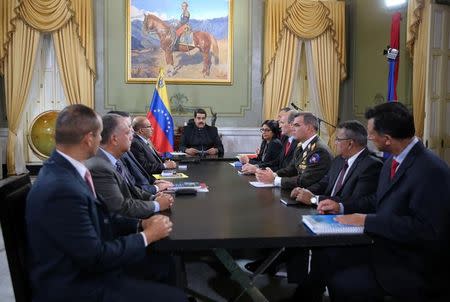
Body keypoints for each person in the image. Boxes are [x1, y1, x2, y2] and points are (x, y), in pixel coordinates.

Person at [26, 104, 187, 302]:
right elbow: (95, 257)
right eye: (100, 135)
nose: (102, 140)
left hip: (85, 266)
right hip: (75, 285)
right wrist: (147, 236)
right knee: (175, 296)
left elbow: (101, 215)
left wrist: (139, 224)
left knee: (167, 262)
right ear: (88, 139)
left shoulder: (65, 169)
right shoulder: (61, 189)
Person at [315, 102, 450, 302]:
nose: (368, 138)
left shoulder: (432, 170)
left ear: (386, 139)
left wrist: (367, 221)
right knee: (326, 253)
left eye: (371, 134)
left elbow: (427, 231)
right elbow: (379, 201)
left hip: (410, 264)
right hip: (385, 245)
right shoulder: (391, 161)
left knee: (340, 278)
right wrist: (342, 207)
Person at [283, 120, 383, 300]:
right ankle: (309, 291)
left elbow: (359, 201)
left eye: (337, 139)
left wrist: (314, 199)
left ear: (350, 143)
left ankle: (310, 292)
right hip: (327, 217)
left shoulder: (371, 165)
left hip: (350, 224)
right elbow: (325, 183)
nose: (334, 143)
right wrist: (307, 191)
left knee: (322, 251)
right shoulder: (339, 160)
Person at [86, 114, 174, 219]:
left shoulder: (116, 158)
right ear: (114, 139)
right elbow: (120, 208)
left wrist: (153, 197)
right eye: (128, 133)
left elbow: (132, 189)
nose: (132, 136)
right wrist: (157, 205)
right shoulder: (99, 166)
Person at [255, 112, 332, 190]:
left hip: (311, 196)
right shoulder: (300, 145)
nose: (292, 128)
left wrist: (275, 180)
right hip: (299, 191)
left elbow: (305, 180)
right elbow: (291, 169)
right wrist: (273, 174)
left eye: (296, 125)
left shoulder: (319, 150)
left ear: (309, 128)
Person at [108, 111, 173, 194]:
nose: (132, 130)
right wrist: (155, 190)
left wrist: (154, 181)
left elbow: (138, 171)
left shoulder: (125, 151)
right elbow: (131, 188)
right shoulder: (126, 149)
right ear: (114, 136)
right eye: (128, 126)